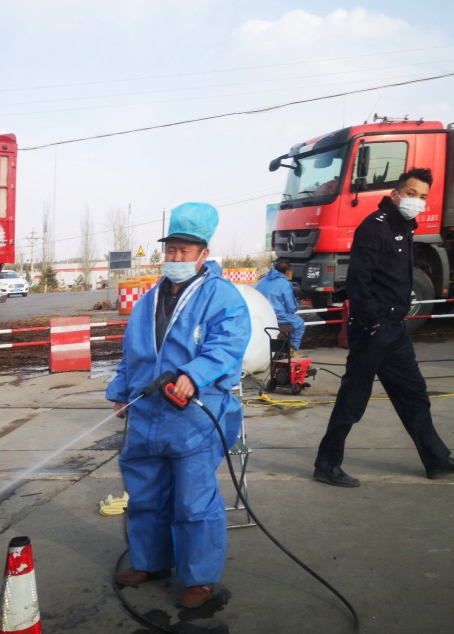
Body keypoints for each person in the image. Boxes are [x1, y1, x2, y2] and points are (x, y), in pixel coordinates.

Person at [106, 201, 252, 608]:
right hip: (147, 412)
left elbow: (227, 346)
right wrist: (121, 391)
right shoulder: (149, 299)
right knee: (146, 494)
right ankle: (151, 562)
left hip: (193, 416)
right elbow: (132, 353)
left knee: (193, 499)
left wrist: (193, 375)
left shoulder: (222, 297)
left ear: (203, 254)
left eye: (184, 251)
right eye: (170, 250)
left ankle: (198, 577)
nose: (174, 258)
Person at [313, 168, 454, 487]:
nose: (417, 201)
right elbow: (358, 281)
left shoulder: (404, 228)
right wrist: (372, 323)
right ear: (395, 194)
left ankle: (436, 460)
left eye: (423, 197)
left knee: (414, 395)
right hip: (374, 329)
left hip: (396, 331)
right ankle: (326, 464)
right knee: (353, 400)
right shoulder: (374, 228)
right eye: (412, 194)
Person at [255, 258, 305, 353]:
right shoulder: (285, 283)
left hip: (260, 313)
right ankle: (292, 350)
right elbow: (291, 308)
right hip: (277, 315)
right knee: (300, 323)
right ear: (287, 271)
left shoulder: (263, 280)